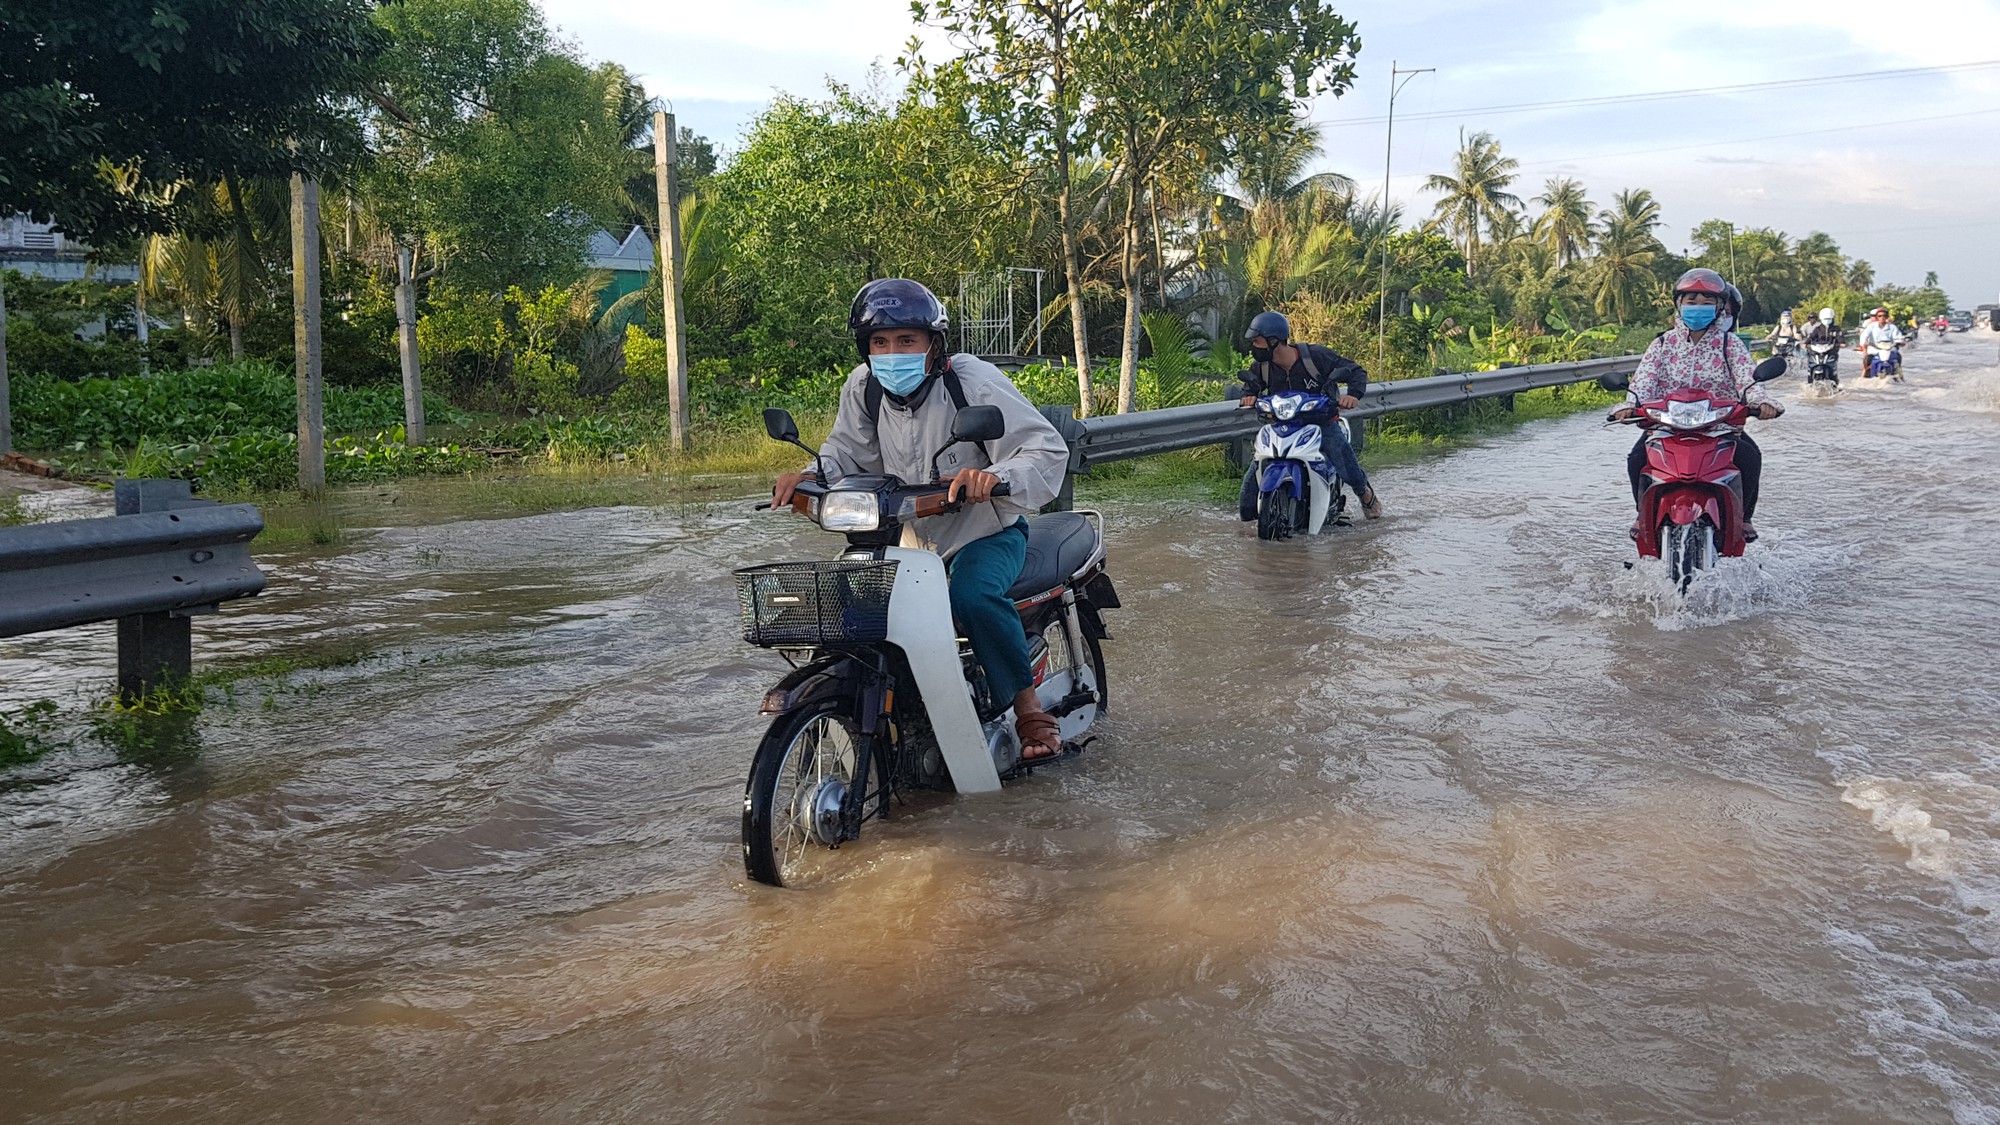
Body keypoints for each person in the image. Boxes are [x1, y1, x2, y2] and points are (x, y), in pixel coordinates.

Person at [771, 279, 1072, 761]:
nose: (892, 353)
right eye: (880, 343)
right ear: (866, 348)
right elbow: (846, 451)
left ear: (934, 344)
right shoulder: (863, 386)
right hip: (904, 540)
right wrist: (807, 477)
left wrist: (992, 476)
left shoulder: (971, 381)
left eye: (906, 340)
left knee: (971, 595)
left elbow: (1043, 447)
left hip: (983, 533)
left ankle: (1029, 711)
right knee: (851, 608)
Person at [1610, 267, 1782, 541]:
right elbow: (1643, 380)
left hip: (1719, 425)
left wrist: (1760, 402)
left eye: (1706, 303)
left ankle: (1745, 519)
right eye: (1691, 302)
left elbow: (1748, 379)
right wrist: (1629, 404)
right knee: (1637, 459)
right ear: (1679, 304)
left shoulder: (1730, 344)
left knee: (1750, 457)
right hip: (1666, 425)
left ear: (1718, 308)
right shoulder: (1662, 344)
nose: (1698, 308)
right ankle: (1642, 514)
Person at [1234, 310, 1382, 518]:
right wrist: (1249, 395)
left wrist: (1353, 395)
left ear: (1274, 341)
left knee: (1343, 460)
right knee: (1254, 475)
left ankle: (1365, 495)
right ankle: (1250, 519)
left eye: (1257, 342)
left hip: (1321, 423)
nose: (1254, 348)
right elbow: (1251, 386)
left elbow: (1355, 371)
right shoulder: (1261, 367)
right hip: (1282, 426)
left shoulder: (1315, 357)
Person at [1857, 306, 1903, 378]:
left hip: (1889, 349)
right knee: (1867, 360)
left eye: (1884, 316)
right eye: (1880, 316)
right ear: (1877, 317)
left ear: (1887, 317)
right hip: (1875, 350)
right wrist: (1864, 343)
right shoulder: (1871, 326)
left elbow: (1899, 337)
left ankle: (1900, 377)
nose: (1882, 317)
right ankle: (1864, 378)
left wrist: (1900, 342)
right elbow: (1864, 336)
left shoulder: (1892, 327)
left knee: (1898, 357)